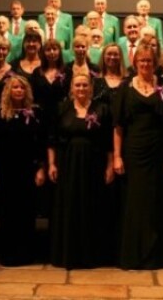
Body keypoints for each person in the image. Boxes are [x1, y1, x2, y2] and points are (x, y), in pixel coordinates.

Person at [113, 45, 163, 269]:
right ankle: (134, 255)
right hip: (133, 152)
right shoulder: (125, 88)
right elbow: (118, 126)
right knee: (135, 202)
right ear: (135, 63)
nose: (145, 65)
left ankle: (156, 256)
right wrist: (117, 157)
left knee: (156, 201)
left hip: (158, 151)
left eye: (149, 61)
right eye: (141, 61)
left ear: (155, 63)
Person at [48, 74, 115, 268]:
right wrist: (52, 164)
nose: (81, 89)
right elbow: (52, 139)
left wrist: (110, 165)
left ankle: (91, 255)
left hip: (93, 165)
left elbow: (107, 142)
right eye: (77, 85)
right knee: (69, 206)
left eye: (85, 85)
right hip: (68, 164)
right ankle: (69, 254)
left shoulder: (102, 109)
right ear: (71, 87)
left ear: (91, 88)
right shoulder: (62, 108)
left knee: (91, 205)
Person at [0, 75, 46, 265]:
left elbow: (40, 143)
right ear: (8, 91)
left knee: (26, 211)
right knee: (7, 211)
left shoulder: (35, 113)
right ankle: (8, 254)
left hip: (27, 169)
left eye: (22, 88)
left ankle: (26, 254)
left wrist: (40, 168)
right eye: (15, 88)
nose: (19, 91)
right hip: (5, 170)